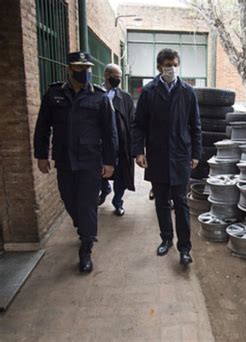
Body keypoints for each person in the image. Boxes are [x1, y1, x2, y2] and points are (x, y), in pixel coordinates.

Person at [34, 52, 118, 273]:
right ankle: (83, 227)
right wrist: (41, 154)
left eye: (88, 68)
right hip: (64, 159)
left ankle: (86, 248)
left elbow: (110, 133)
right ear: (69, 69)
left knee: (87, 205)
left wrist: (109, 162)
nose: (85, 72)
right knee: (69, 200)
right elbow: (43, 126)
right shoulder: (54, 94)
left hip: (90, 160)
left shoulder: (99, 97)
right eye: (80, 68)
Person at [132, 48, 202, 266]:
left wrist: (196, 154)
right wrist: (139, 151)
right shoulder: (149, 91)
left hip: (181, 155)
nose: (170, 68)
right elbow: (139, 125)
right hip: (158, 155)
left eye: (173, 64)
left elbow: (196, 126)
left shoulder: (187, 92)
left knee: (181, 204)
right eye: (166, 65)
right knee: (162, 202)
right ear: (159, 67)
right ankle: (166, 239)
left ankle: (185, 248)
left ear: (177, 64)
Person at [98, 64, 136, 215]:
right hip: (101, 142)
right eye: (115, 76)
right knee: (99, 170)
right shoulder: (97, 93)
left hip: (121, 143)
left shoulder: (125, 97)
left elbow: (133, 121)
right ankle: (104, 188)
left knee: (121, 174)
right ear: (106, 75)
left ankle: (117, 201)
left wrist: (133, 145)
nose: (118, 80)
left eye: (120, 77)